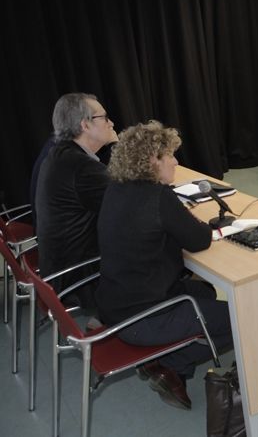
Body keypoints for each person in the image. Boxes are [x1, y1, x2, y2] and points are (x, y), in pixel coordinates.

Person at [95, 121, 234, 410]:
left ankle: (170, 365)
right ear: (151, 160)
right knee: (242, 317)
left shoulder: (116, 189)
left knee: (205, 293)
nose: (176, 161)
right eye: (170, 155)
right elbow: (199, 240)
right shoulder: (158, 197)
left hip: (115, 306)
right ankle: (170, 363)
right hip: (143, 319)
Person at [35, 92, 118, 302]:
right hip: (80, 279)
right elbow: (131, 207)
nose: (111, 123)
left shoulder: (61, 154)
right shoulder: (80, 167)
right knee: (164, 258)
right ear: (85, 125)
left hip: (59, 270)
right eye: (104, 117)